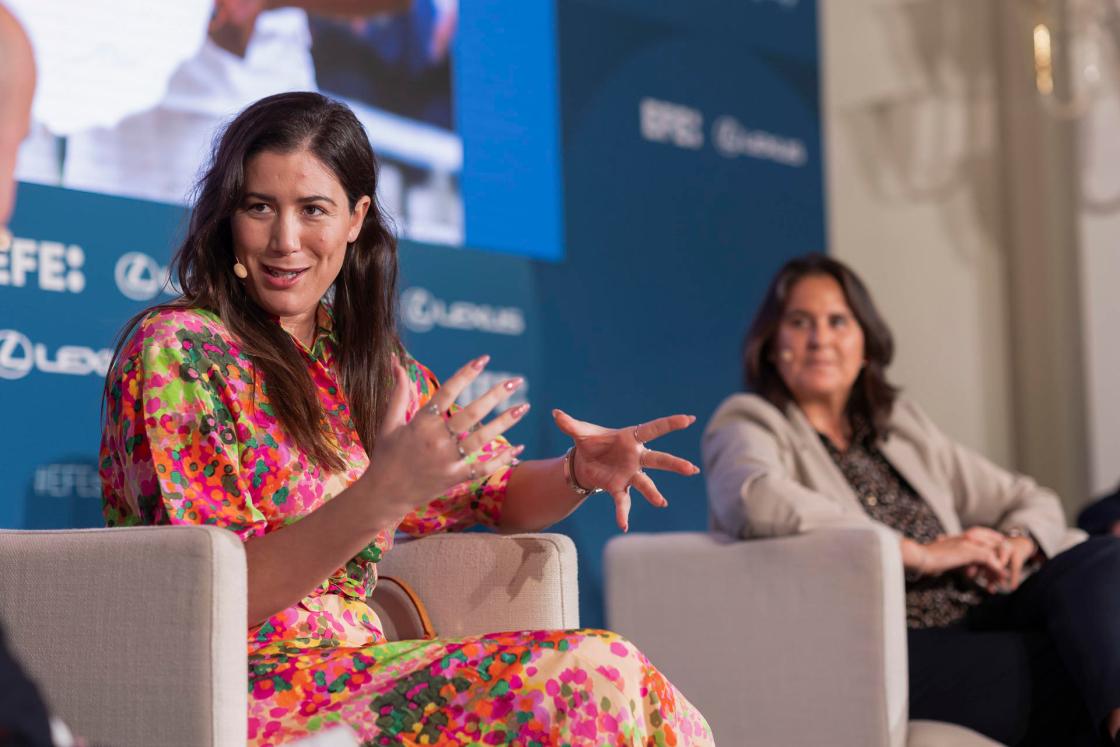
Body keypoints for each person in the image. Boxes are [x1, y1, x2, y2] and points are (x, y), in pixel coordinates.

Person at [99, 91, 713, 747]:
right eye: (259, 207)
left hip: (353, 671)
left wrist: (576, 472)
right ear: (229, 215)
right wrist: (381, 492)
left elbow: (490, 492)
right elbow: (212, 599)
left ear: (357, 217)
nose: (284, 240)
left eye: (313, 210)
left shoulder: (362, 360)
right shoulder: (181, 349)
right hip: (237, 685)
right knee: (592, 675)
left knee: (619, 675)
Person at [702, 253, 1120, 746]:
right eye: (799, 322)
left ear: (864, 346)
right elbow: (755, 498)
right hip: (890, 642)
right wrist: (916, 552)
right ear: (772, 345)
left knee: (1102, 556)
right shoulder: (750, 421)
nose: (820, 339)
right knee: (1073, 663)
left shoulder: (898, 426)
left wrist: (1017, 542)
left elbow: (1027, 497)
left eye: (838, 321)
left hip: (983, 610)